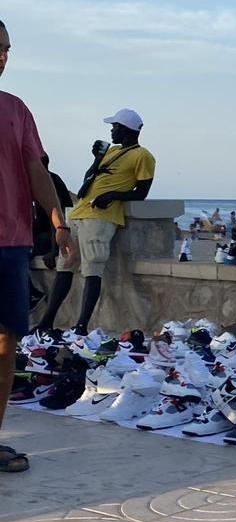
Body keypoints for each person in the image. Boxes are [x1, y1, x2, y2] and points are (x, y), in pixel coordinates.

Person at [1, 19, 72, 472]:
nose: (3, 56)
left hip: (10, 242)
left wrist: (58, 222)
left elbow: (35, 171)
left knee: (6, 342)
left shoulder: (15, 108)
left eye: (7, 48)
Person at [36, 108, 154, 334]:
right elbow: (87, 182)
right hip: (79, 213)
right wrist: (97, 159)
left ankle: (81, 325)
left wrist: (113, 195)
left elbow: (142, 191)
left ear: (126, 129)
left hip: (100, 218)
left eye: (115, 127)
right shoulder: (111, 152)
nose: (111, 131)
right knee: (64, 266)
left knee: (92, 269)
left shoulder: (143, 156)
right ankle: (46, 322)